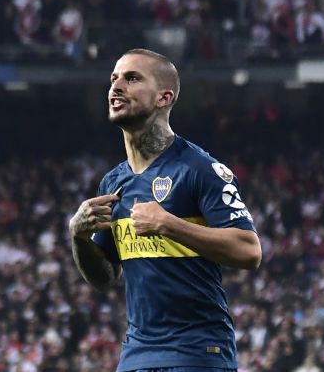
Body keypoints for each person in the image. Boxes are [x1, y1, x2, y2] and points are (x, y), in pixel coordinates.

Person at [69, 48, 262, 372]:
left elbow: (249, 250)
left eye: (132, 78)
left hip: (198, 353)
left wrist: (169, 224)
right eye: (114, 78)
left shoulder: (200, 169)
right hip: (136, 356)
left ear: (164, 97)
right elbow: (104, 279)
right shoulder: (113, 183)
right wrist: (78, 237)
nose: (116, 87)